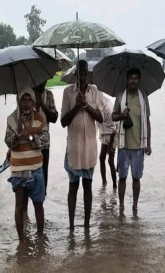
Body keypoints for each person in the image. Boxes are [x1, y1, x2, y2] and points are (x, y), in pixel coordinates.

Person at [61, 60, 103, 230]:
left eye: (85, 73)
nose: (83, 77)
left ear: (88, 74)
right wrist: (76, 107)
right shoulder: (68, 92)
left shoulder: (94, 91)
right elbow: (63, 121)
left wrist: (86, 106)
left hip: (89, 148)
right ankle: (71, 226)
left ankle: (86, 225)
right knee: (73, 186)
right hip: (74, 148)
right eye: (80, 74)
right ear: (76, 75)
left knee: (88, 185)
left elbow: (100, 117)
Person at [5, 88, 48, 240]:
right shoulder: (12, 119)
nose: (26, 103)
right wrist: (15, 137)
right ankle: (21, 240)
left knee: (38, 204)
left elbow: (45, 140)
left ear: (33, 102)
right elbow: (7, 141)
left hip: (36, 169)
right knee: (19, 206)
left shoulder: (40, 118)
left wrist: (29, 136)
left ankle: (41, 237)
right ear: (19, 101)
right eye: (23, 100)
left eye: (29, 100)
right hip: (18, 170)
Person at [112, 67, 152, 212]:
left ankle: (135, 206)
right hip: (123, 146)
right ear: (127, 80)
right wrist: (122, 115)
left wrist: (148, 144)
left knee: (136, 178)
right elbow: (113, 117)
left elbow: (147, 121)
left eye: (135, 78)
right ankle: (122, 206)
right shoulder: (120, 96)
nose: (133, 81)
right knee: (122, 177)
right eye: (131, 78)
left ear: (139, 80)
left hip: (139, 145)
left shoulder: (143, 97)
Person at [33, 81, 59, 194]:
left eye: (45, 79)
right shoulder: (27, 95)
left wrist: (42, 104)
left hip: (44, 140)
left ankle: (42, 197)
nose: (43, 82)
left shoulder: (48, 95)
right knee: (31, 174)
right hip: (30, 141)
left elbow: (54, 118)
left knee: (43, 172)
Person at [98, 94, 118, 188]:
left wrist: (110, 147)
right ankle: (104, 182)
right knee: (102, 157)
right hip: (105, 133)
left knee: (110, 160)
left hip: (113, 134)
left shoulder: (108, 109)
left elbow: (114, 129)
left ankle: (115, 186)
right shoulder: (99, 104)